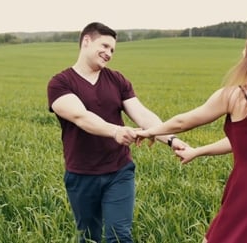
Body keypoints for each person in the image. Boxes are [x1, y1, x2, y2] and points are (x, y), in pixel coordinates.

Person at [136, 24, 247, 243]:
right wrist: (197, 151)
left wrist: (150, 130)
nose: (243, 52)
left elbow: (183, 121)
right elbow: (243, 143)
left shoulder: (236, 96)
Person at [47, 22, 187, 243]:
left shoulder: (117, 80)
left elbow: (141, 115)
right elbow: (80, 116)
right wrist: (115, 131)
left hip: (119, 172)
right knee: (89, 237)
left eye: (112, 50)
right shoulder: (60, 83)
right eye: (105, 46)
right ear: (86, 41)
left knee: (119, 236)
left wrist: (171, 139)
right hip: (81, 175)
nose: (109, 53)